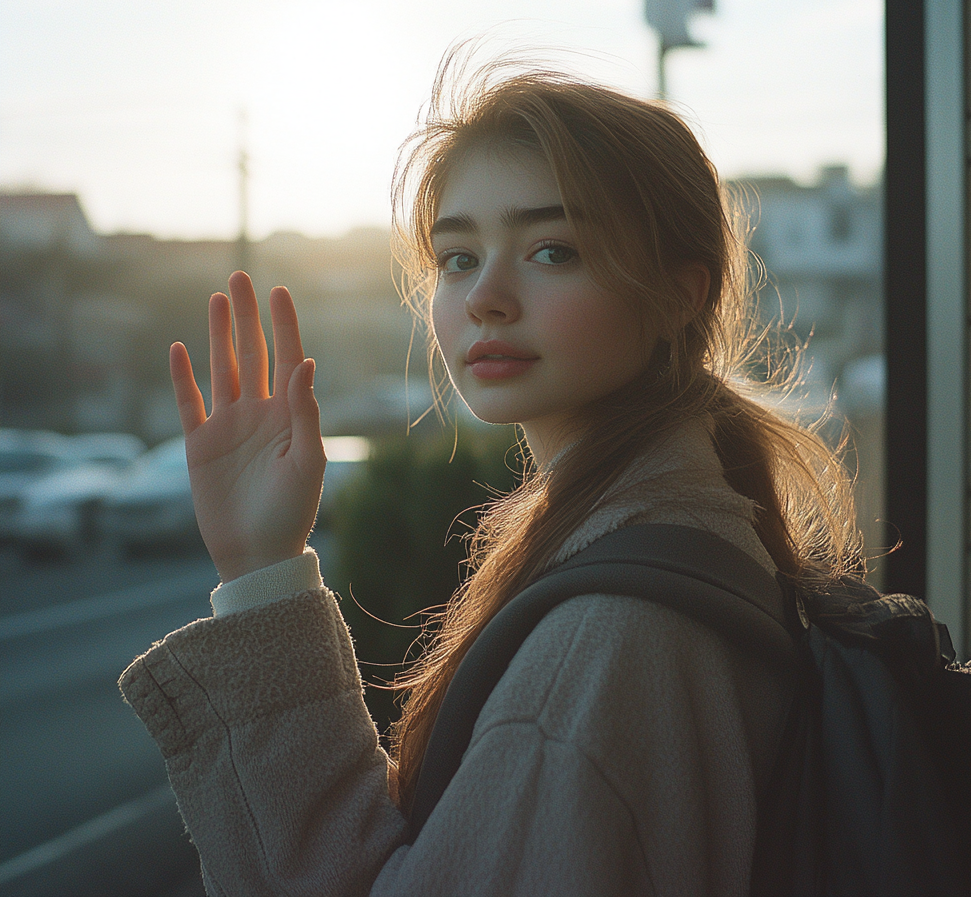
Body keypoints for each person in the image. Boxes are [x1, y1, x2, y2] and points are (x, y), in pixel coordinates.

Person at [120, 53, 861, 897]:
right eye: (458, 258)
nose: (486, 298)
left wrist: (260, 580)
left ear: (679, 293)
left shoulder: (610, 636)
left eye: (552, 250)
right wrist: (261, 554)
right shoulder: (669, 543)